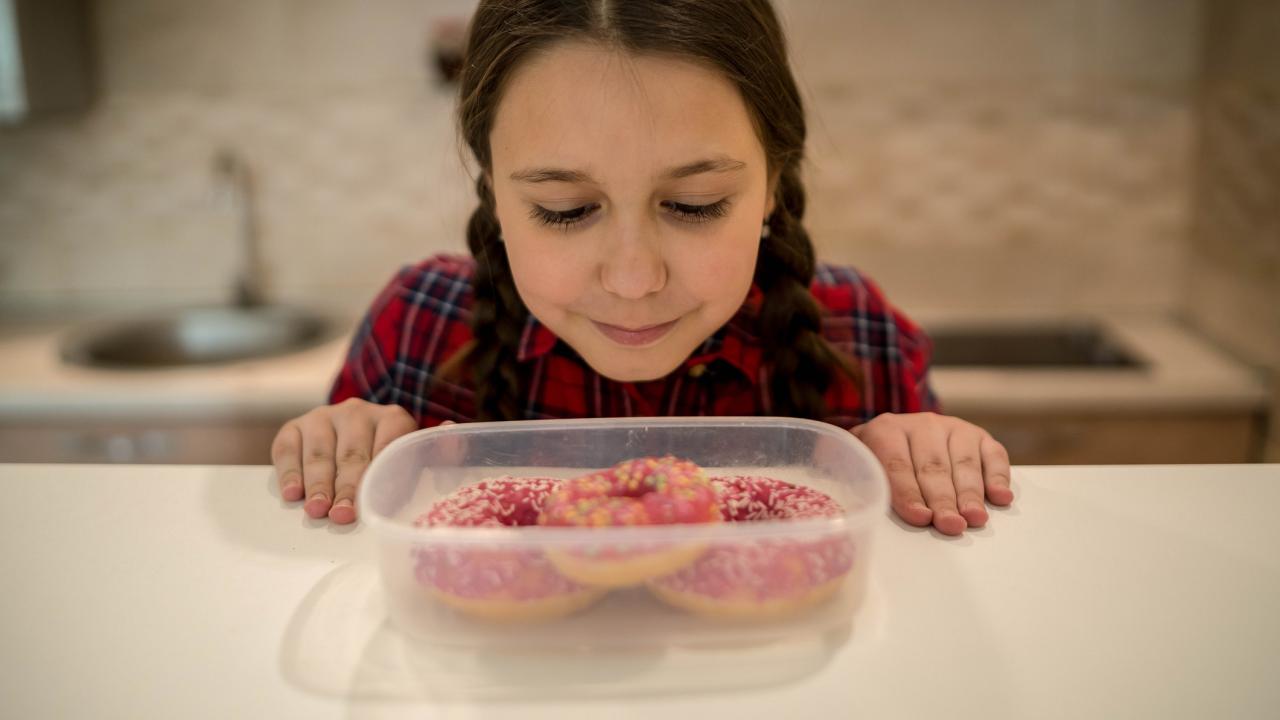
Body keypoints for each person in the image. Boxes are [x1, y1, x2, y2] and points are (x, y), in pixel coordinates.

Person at [270, 0, 1014, 535]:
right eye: (565, 210)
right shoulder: (419, 330)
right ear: (494, 192)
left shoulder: (856, 338)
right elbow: (344, 534)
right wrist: (342, 446)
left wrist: (929, 457)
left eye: (694, 204)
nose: (633, 280)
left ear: (771, 185)